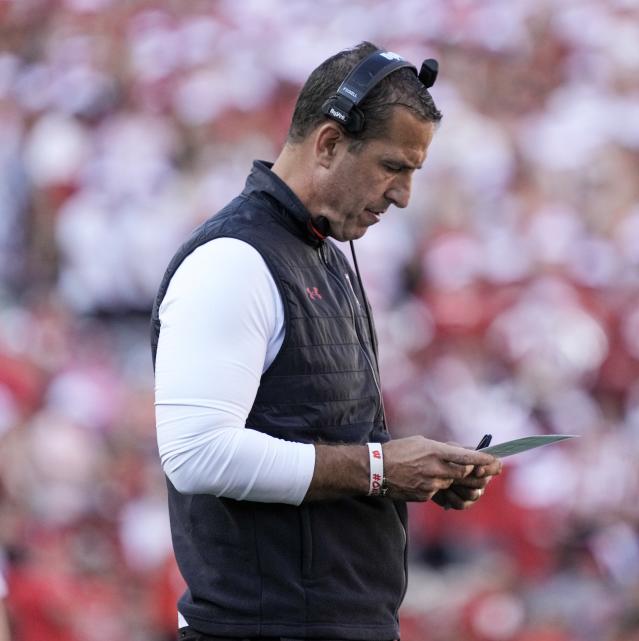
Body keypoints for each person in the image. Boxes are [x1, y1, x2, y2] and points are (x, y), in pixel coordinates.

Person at [151, 41, 502, 641]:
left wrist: (419, 475)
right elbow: (196, 454)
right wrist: (379, 470)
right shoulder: (234, 260)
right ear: (330, 143)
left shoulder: (323, 253)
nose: (403, 195)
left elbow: (319, 433)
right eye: (393, 167)